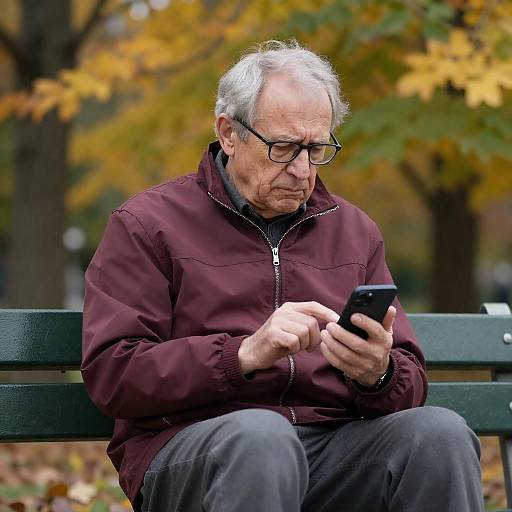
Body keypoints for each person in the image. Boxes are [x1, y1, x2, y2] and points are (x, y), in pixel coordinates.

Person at [82, 40, 484, 512]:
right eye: (284, 147)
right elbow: (114, 373)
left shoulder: (354, 231)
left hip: (332, 449)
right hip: (196, 447)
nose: (301, 169)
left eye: (316, 149)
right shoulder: (148, 224)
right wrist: (243, 354)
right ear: (228, 133)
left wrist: (378, 373)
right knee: (262, 437)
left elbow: (409, 379)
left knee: (440, 435)